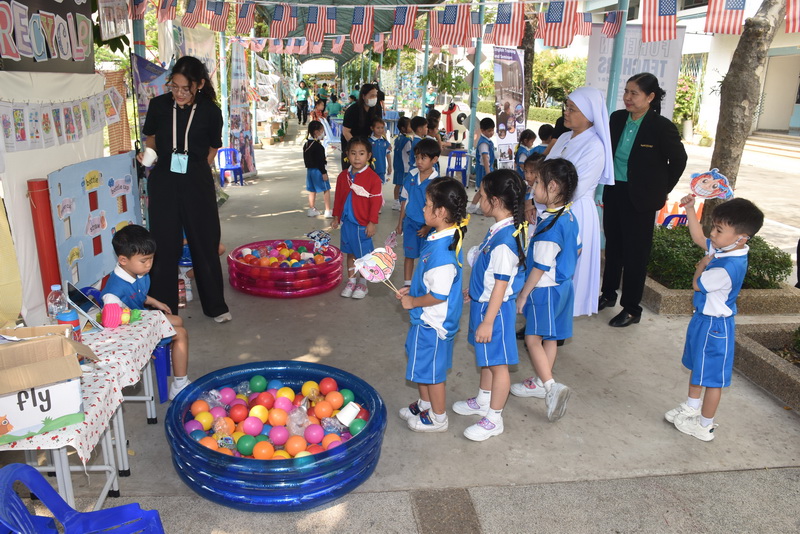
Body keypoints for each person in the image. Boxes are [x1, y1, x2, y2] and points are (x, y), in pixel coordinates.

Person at [139, 55, 230, 323]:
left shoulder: (210, 111)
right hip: (164, 179)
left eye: (185, 89)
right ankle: (164, 312)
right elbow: (151, 138)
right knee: (164, 244)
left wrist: (196, 170)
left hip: (196, 179)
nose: (179, 93)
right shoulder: (158, 105)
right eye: (174, 87)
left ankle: (216, 306)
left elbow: (213, 148)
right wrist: (149, 155)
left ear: (199, 84)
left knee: (205, 241)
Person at [666, 197, 764, 441]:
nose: (712, 233)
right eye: (714, 226)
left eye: (719, 230)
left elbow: (696, 284)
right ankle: (691, 407)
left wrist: (701, 265)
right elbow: (699, 238)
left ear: (741, 238)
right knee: (697, 367)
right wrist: (690, 209)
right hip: (703, 320)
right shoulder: (726, 248)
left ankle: (705, 425)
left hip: (715, 328)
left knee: (712, 380)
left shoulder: (726, 267)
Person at [600, 73, 688, 327]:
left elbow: (679, 160)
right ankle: (608, 294)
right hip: (615, 191)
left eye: (634, 93)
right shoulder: (617, 118)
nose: (627, 97)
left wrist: (662, 189)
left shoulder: (661, 127)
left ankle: (631, 309)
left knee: (635, 255)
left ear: (650, 97)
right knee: (613, 247)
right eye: (626, 92)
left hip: (641, 200)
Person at [453, 169, 527, 441]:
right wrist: (474, 291)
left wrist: (487, 321)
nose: (478, 199)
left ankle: (494, 418)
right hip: (484, 304)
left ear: (495, 201)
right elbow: (488, 275)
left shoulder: (504, 241)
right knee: (486, 358)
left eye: (481, 195)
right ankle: (483, 400)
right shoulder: (499, 229)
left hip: (494, 312)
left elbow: (500, 285)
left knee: (499, 365)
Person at [397, 177, 469, 432]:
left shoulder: (442, 254)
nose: (423, 208)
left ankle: (439, 418)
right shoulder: (439, 236)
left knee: (432, 373)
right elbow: (430, 282)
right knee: (422, 365)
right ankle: (425, 404)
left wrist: (413, 301)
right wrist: (413, 290)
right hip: (426, 318)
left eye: (427, 204)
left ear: (440, 212)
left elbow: (439, 294)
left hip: (433, 323)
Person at [512, 159, 580, 420]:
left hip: (544, 290)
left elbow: (539, 267)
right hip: (564, 287)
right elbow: (578, 248)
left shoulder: (549, 228)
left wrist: (523, 294)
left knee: (532, 339)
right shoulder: (568, 216)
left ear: (552, 187)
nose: (533, 186)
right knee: (550, 337)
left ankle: (551, 388)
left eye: (537, 182)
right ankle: (543, 380)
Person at [543, 87, 614, 318]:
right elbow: (545, 171)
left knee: (564, 268)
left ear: (589, 114)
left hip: (575, 212)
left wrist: (542, 199)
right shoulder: (564, 137)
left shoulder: (595, 146)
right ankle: (541, 315)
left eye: (572, 109)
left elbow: (575, 188)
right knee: (544, 263)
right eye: (567, 107)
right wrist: (533, 201)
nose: (566, 112)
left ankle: (556, 321)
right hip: (549, 206)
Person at [101, 225, 191, 400]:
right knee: (181, 333)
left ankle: (172, 355)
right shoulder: (113, 295)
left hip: (142, 320)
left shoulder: (136, 271)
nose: (149, 264)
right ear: (123, 260)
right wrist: (143, 344)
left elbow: (138, 294)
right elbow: (111, 326)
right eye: (144, 261)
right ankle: (179, 385)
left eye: (151, 258)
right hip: (132, 335)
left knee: (177, 320)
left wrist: (155, 302)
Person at [331, 137, 383, 299]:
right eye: (353, 153)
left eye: (361, 153)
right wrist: (336, 216)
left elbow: (376, 202)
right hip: (347, 223)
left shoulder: (373, 178)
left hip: (362, 224)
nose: (357, 157)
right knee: (350, 254)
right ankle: (351, 281)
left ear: (368, 155)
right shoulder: (343, 176)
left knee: (364, 256)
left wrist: (372, 222)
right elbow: (338, 198)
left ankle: (363, 283)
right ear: (347, 154)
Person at [397, 138, 440, 286]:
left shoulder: (437, 182)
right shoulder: (411, 176)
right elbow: (404, 200)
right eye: (417, 157)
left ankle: (423, 285)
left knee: (426, 258)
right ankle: (407, 284)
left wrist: (428, 227)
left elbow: (437, 208)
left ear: (434, 159)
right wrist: (400, 223)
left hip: (429, 227)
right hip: (410, 224)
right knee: (409, 255)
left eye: (423, 158)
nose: (419, 161)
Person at [341, 84, 382, 168]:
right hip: (351, 143)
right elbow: (346, 132)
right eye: (371, 95)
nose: (374, 98)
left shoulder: (377, 109)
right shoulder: (352, 110)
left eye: (375, 95)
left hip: (367, 145)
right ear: (363, 96)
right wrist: (357, 147)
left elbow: (379, 126)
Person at [303, 121, 332, 218]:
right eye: (322, 131)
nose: (323, 133)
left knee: (312, 190)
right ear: (316, 132)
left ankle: (311, 209)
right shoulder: (318, 146)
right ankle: (328, 210)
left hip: (310, 171)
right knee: (326, 189)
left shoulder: (306, 145)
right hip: (318, 171)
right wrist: (324, 172)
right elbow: (320, 161)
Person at [467, 118, 496, 214]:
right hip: (484, 169)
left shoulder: (486, 141)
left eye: (492, 130)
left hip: (486, 168)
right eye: (489, 131)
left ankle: (480, 208)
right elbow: (485, 158)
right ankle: (472, 207)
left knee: (484, 191)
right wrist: (488, 173)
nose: (491, 133)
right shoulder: (484, 143)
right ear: (482, 130)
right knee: (482, 191)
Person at [392, 117, 413, 210]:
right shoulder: (407, 140)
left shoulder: (398, 138)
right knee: (403, 185)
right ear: (403, 128)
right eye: (410, 126)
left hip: (397, 165)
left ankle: (396, 201)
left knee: (398, 184)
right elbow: (410, 153)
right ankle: (401, 202)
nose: (411, 128)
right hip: (405, 166)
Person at [369, 118, 392, 184]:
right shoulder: (368, 142)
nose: (380, 130)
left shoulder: (385, 142)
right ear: (372, 128)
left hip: (381, 170)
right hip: (370, 170)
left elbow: (388, 155)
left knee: (379, 187)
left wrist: (390, 166)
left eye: (382, 128)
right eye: (378, 128)